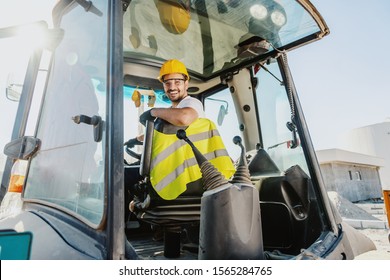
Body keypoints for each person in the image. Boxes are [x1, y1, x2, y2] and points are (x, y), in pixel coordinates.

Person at [128, 59, 235, 205]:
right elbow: (164, 135)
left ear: (186, 83)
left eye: (177, 82)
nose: (172, 87)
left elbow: (185, 118)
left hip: (181, 171)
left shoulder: (191, 103)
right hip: (177, 168)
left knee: (125, 176)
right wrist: (135, 140)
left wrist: (153, 112)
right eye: (167, 83)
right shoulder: (174, 111)